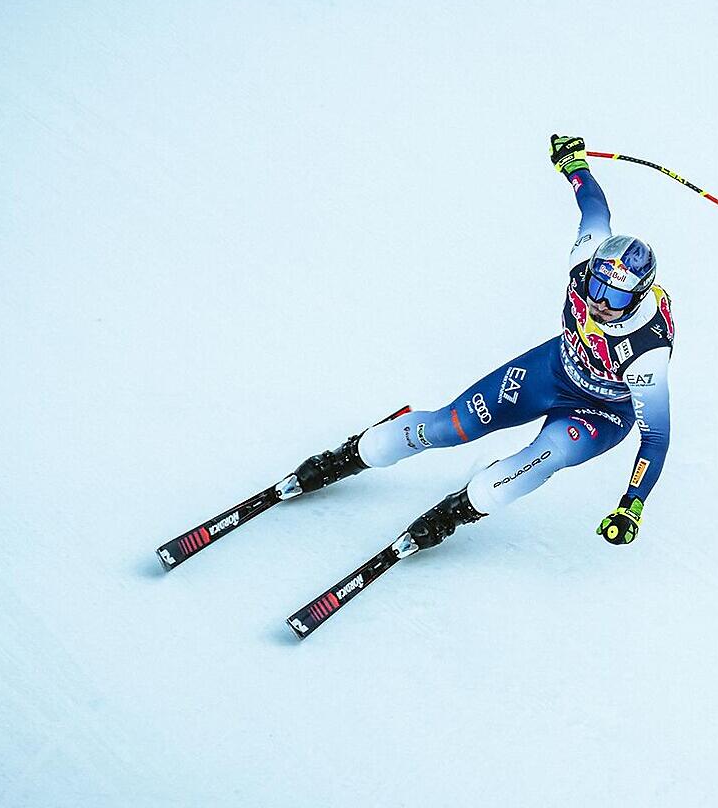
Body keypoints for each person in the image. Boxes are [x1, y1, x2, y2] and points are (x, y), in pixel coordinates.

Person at [280, 134, 675, 554]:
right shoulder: (586, 259)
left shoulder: (647, 354)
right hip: (553, 370)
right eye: (597, 286)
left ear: (638, 297)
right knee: (450, 427)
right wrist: (574, 166)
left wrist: (632, 505)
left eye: (615, 298)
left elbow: (655, 438)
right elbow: (595, 210)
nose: (599, 303)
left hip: (602, 412)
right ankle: (355, 454)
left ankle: (462, 509)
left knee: (543, 457)